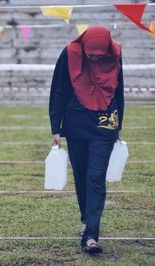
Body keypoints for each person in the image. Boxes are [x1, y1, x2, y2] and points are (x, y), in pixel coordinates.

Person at [49, 26, 124, 255]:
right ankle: (86, 220)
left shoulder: (116, 54)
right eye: (91, 54)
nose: (94, 58)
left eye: (98, 56)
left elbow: (119, 90)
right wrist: (55, 127)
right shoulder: (69, 53)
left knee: (96, 177)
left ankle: (91, 236)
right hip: (76, 125)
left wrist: (118, 124)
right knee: (81, 176)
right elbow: (59, 90)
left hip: (104, 125)